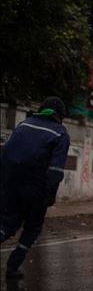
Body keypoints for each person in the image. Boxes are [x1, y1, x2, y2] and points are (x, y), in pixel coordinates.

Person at [1, 97, 70, 279]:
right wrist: (50, 194)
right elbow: (55, 170)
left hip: (10, 184)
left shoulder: (24, 124)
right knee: (32, 227)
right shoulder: (60, 133)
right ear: (59, 116)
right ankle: (13, 267)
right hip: (36, 189)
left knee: (7, 223)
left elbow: (6, 153)